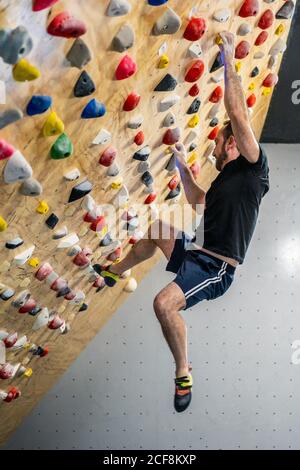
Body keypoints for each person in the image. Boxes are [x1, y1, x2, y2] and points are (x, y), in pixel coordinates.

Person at [101, 31, 270, 412]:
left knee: (163, 305)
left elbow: (239, 115)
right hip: (197, 249)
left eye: (217, 140)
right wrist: (179, 162)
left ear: (231, 145)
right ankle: (114, 270)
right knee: (160, 227)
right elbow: (198, 198)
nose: (213, 145)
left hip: (216, 268)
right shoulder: (227, 182)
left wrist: (229, 59)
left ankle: (182, 372)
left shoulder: (253, 169)